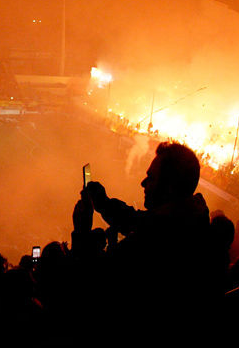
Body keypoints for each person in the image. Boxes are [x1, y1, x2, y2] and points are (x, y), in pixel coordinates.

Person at [78, 141, 212, 344]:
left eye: (150, 178)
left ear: (170, 187)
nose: (143, 183)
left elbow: (89, 285)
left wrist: (81, 230)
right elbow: (140, 221)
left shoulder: (154, 242)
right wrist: (103, 203)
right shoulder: (190, 219)